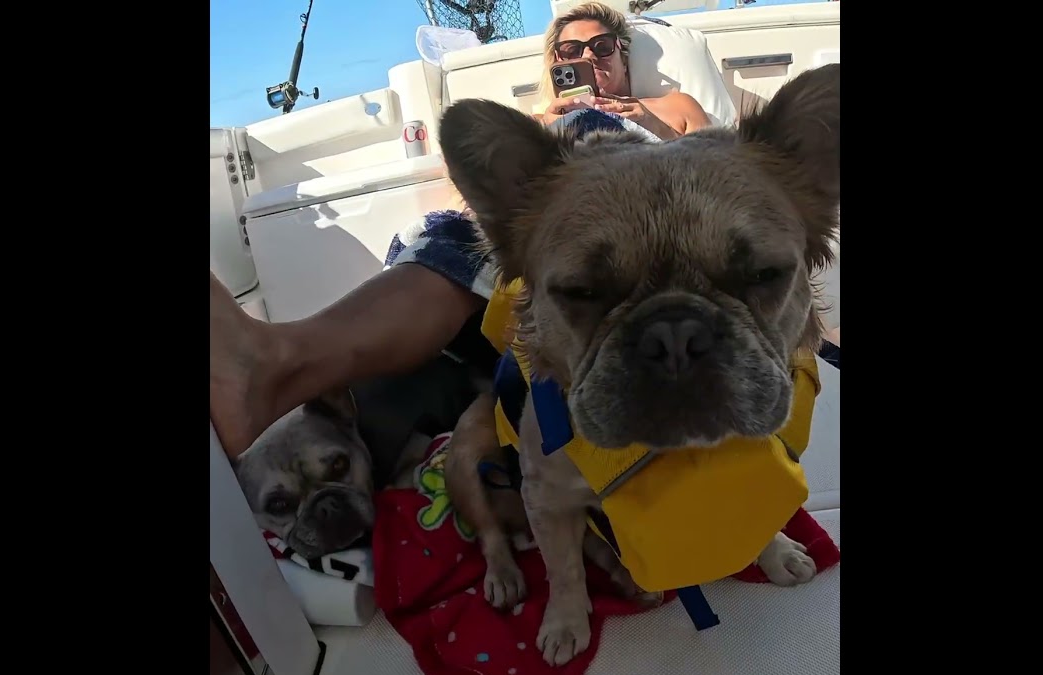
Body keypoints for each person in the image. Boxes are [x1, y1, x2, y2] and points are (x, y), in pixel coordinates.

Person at [209, 5, 836, 460]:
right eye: (569, 53)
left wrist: (639, 114)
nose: (587, 61)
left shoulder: (671, 106)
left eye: (602, 50)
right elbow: (478, 202)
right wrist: (550, 142)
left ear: (625, 59)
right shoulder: (538, 133)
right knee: (458, 240)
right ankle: (283, 365)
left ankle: (296, 369)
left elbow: (708, 153)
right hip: (545, 217)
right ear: (550, 67)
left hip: (646, 166)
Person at [535, 2, 712, 139]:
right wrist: (548, 138)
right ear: (558, 62)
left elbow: (715, 172)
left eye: (602, 46)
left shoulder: (678, 110)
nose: (588, 56)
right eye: (572, 51)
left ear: (624, 58)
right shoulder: (536, 127)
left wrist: (657, 128)